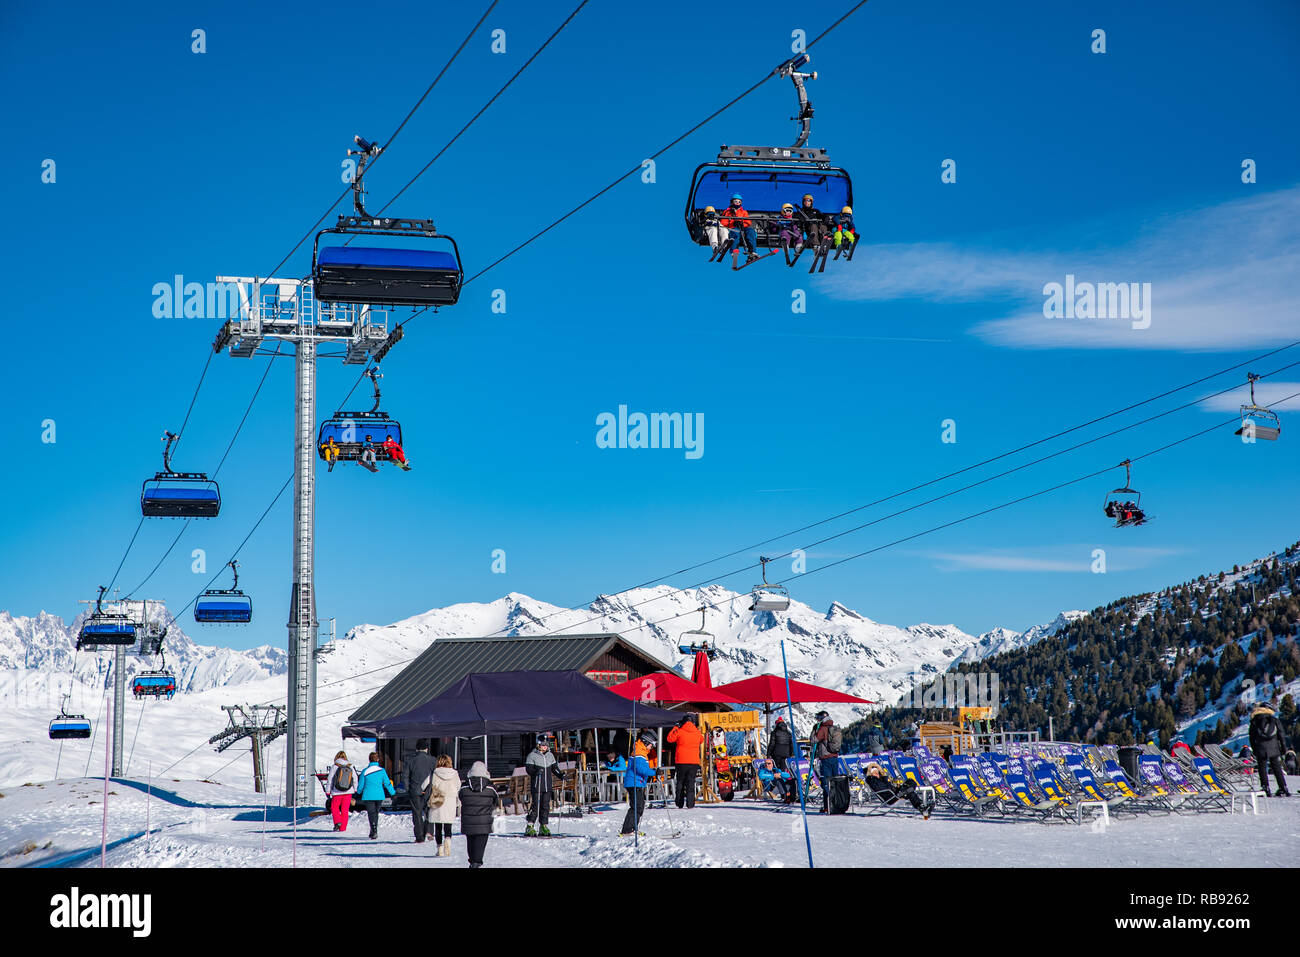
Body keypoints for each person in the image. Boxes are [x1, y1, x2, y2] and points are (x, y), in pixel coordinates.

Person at [458, 760, 501, 867]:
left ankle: (473, 861)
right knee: (481, 843)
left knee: (470, 842)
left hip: (468, 820)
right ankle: (477, 862)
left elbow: (460, 797)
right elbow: (496, 800)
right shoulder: (491, 789)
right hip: (484, 821)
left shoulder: (464, 788)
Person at [1248, 703, 1291, 796]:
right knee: (1277, 768)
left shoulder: (1255, 720)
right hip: (1274, 747)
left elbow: (1252, 737)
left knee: (1262, 768)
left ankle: (1265, 788)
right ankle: (1283, 787)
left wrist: (1254, 749)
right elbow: (1281, 735)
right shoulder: (1274, 720)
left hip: (1260, 748)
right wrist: (1284, 748)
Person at [524, 734, 563, 836]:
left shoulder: (550, 755)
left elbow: (555, 768)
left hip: (547, 786)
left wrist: (561, 775)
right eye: (542, 745)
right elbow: (529, 770)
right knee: (536, 806)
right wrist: (536, 771)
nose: (545, 746)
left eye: (546, 744)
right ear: (538, 745)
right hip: (537, 785)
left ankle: (543, 826)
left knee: (545, 807)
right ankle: (530, 825)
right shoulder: (532, 755)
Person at [865, 762, 932, 818]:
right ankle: (903, 792)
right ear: (871, 774)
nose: (876, 773)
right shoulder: (872, 780)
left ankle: (923, 809)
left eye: (877, 772)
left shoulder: (882, 779)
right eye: (874, 772)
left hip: (895, 795)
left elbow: (889, 786)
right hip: (890, 798)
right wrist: (885, 779)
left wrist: (884, 776)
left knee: (910, 782)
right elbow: (884, 789)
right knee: (909, 790)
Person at [620, 732, 655, 836]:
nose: (651, 747)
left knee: (639, 806)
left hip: (637, 782)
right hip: (634, 783)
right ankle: (627, 829)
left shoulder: (641, 751)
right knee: (637, 806)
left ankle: (632, 828)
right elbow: (640, 769)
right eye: (651, 744)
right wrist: (653, 772)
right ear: (645, 742)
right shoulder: (639, 752)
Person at [403, 739, 438, 843]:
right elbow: (436, 775)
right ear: (427, 749)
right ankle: (429, 831)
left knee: (417, 813)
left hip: (415, 790)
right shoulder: (433, 760)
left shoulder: (410, 760)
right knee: (429, 811)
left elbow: (405, 776)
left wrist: (408, 789)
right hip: (429, 790)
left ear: (417, 749)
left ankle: (419, 836)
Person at [667, 714, 704, 809]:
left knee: (680, 782)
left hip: (681, 761)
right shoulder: (697, 732)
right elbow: (701, 740)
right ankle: (690, 803)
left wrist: (675, 727)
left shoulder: (679, 731)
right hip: (694, 762)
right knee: (691, 782)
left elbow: (669, 739)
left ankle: (679, 803)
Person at [356, 751, 396, 840]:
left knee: (371, 813)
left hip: (368, 796)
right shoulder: (382, 771)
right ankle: (374, 829)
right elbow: (387, 783)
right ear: (377, 759)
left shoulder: (365, 771)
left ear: (369, 760)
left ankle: (373, 829)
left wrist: (358, 792)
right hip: (379, 796)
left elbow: (360, 785)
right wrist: (393, 793)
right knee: (376, 813)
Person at [426, 754, 460, 857]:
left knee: (438, 826)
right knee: (448, 824)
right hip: (450, 800)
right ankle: (448, 841)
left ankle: (440, 849)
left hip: (438, 799)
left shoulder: (435, 773)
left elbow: (425, 784)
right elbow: (458, 785)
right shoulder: (454, 773)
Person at [811, 711, 842, 813]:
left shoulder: (823, 729)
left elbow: (813, 740)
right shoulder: (834, 728)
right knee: (835, 782)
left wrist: (814, 730)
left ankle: (828, 806)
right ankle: (837, 803)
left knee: (826, 783)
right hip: (835, 758)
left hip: (826, 759)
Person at [719, 193, 759, 267]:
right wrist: (733, 223)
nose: (737, 203)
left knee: (751, 231)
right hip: (732, 228)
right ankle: (734, 250)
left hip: (742, 228)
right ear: (732, 202)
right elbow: (723, 222)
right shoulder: (727, 212)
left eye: (739, 202)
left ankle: (752, 251)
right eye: (736, 201)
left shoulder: (743, 212)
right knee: (735, 233)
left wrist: (741, 223)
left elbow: (748, 222)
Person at [326, 750, 357, 832]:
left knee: (334, 807)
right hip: (348, 791)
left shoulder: (335, 766)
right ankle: (343, 828)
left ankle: (337, 822)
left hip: (337, 791)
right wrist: (355, 789)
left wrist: (328, 791)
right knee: (345, 810)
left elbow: (330, 780)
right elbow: (355, 778)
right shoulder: (350, 766)